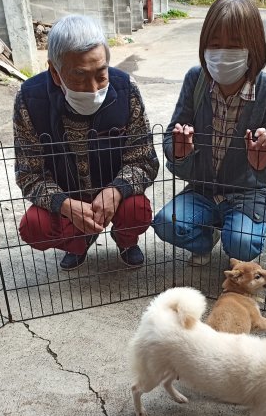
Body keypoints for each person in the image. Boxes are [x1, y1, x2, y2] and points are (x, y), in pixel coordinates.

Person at [14, 15, 159, 270]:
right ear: (55, 73)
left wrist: (117, 189)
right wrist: (65, 205)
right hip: (66, 192)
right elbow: (29, 175)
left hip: (114, 189)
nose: (93, 88)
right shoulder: (30, 99)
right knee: (34, 226)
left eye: (101, 75)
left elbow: (144, 158)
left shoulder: (125, 89)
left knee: (137, 209)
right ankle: (77, 243)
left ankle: (126, 240)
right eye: (79, 77)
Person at [153, 0, 266, 266]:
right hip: (202, 189)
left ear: (254, 47)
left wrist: (261, 165)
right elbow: (171, 137)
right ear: (204, 46)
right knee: (166, 223)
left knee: (241, 243)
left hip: (246, 195)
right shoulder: (197, 80)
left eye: (235, 45)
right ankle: (204, 241)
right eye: (214, 44)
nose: (223, 54)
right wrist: (179, 153)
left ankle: (231, 235)